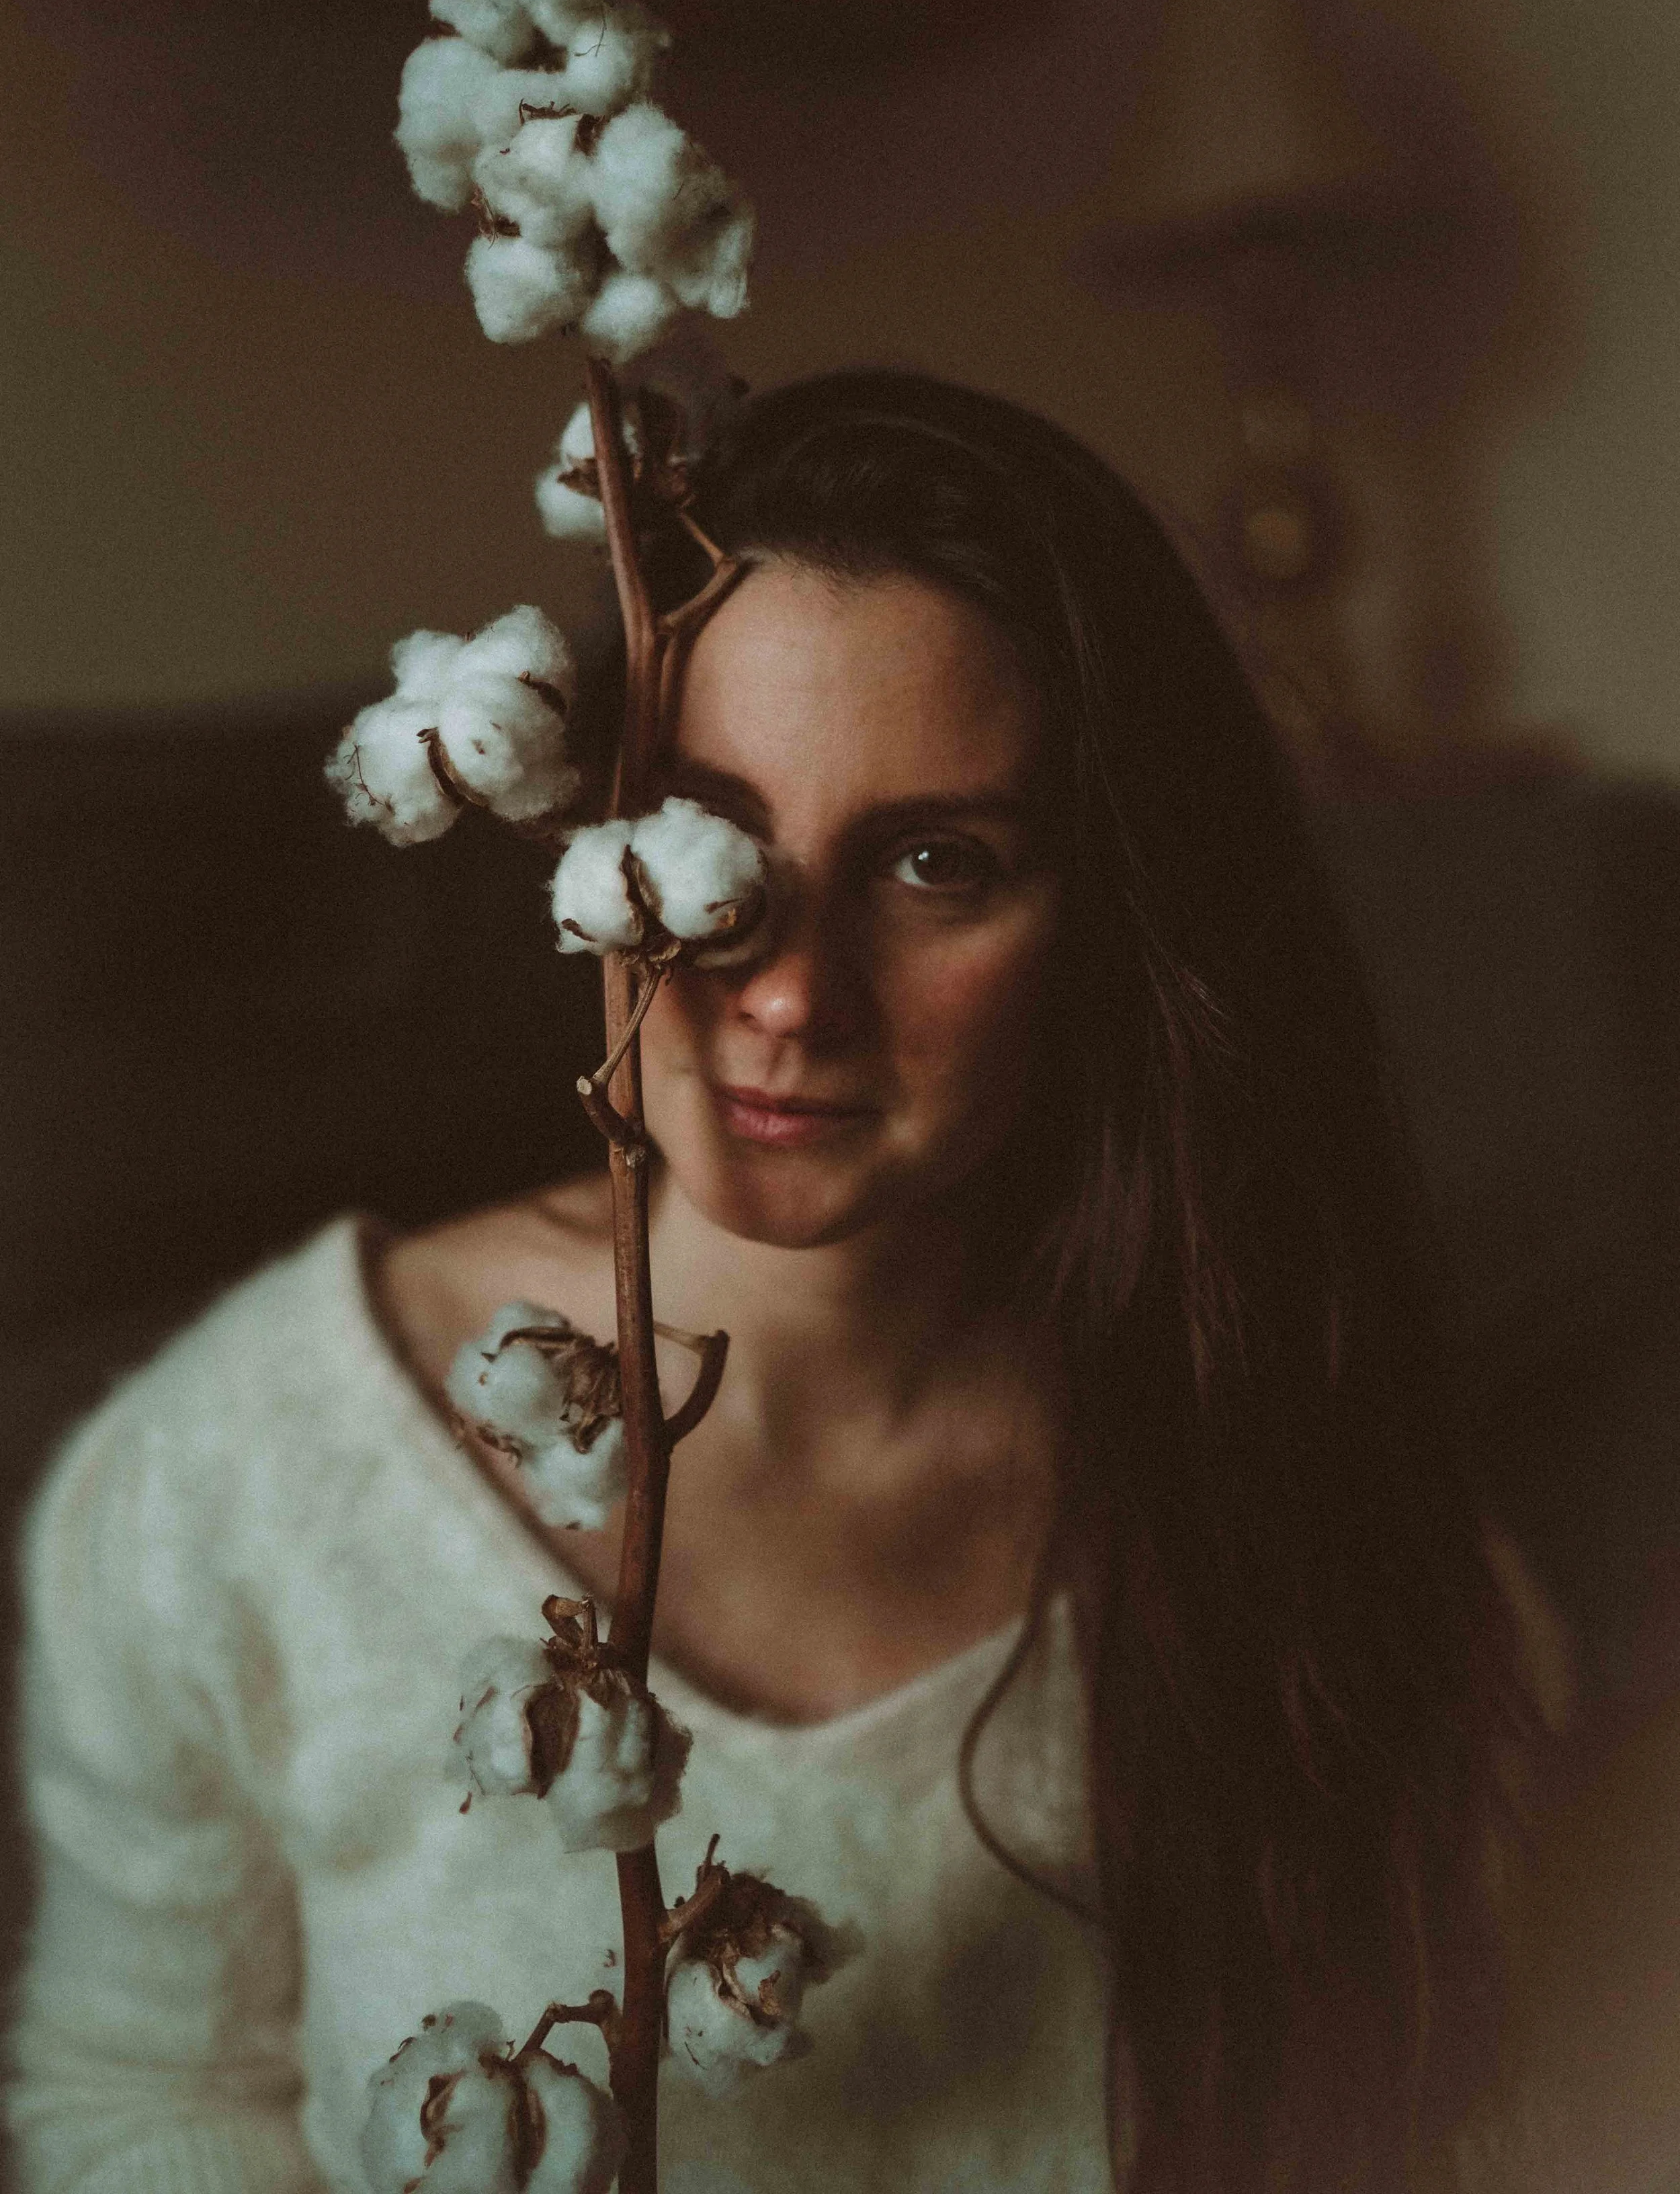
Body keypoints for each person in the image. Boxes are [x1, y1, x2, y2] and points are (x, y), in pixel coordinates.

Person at [8, 371, 1563, 2194]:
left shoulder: (1287, 1491)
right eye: (710, 838)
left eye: (932, 862)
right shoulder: (248, 1475)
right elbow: (140, 2097)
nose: (788, 991)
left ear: (1116, 912)